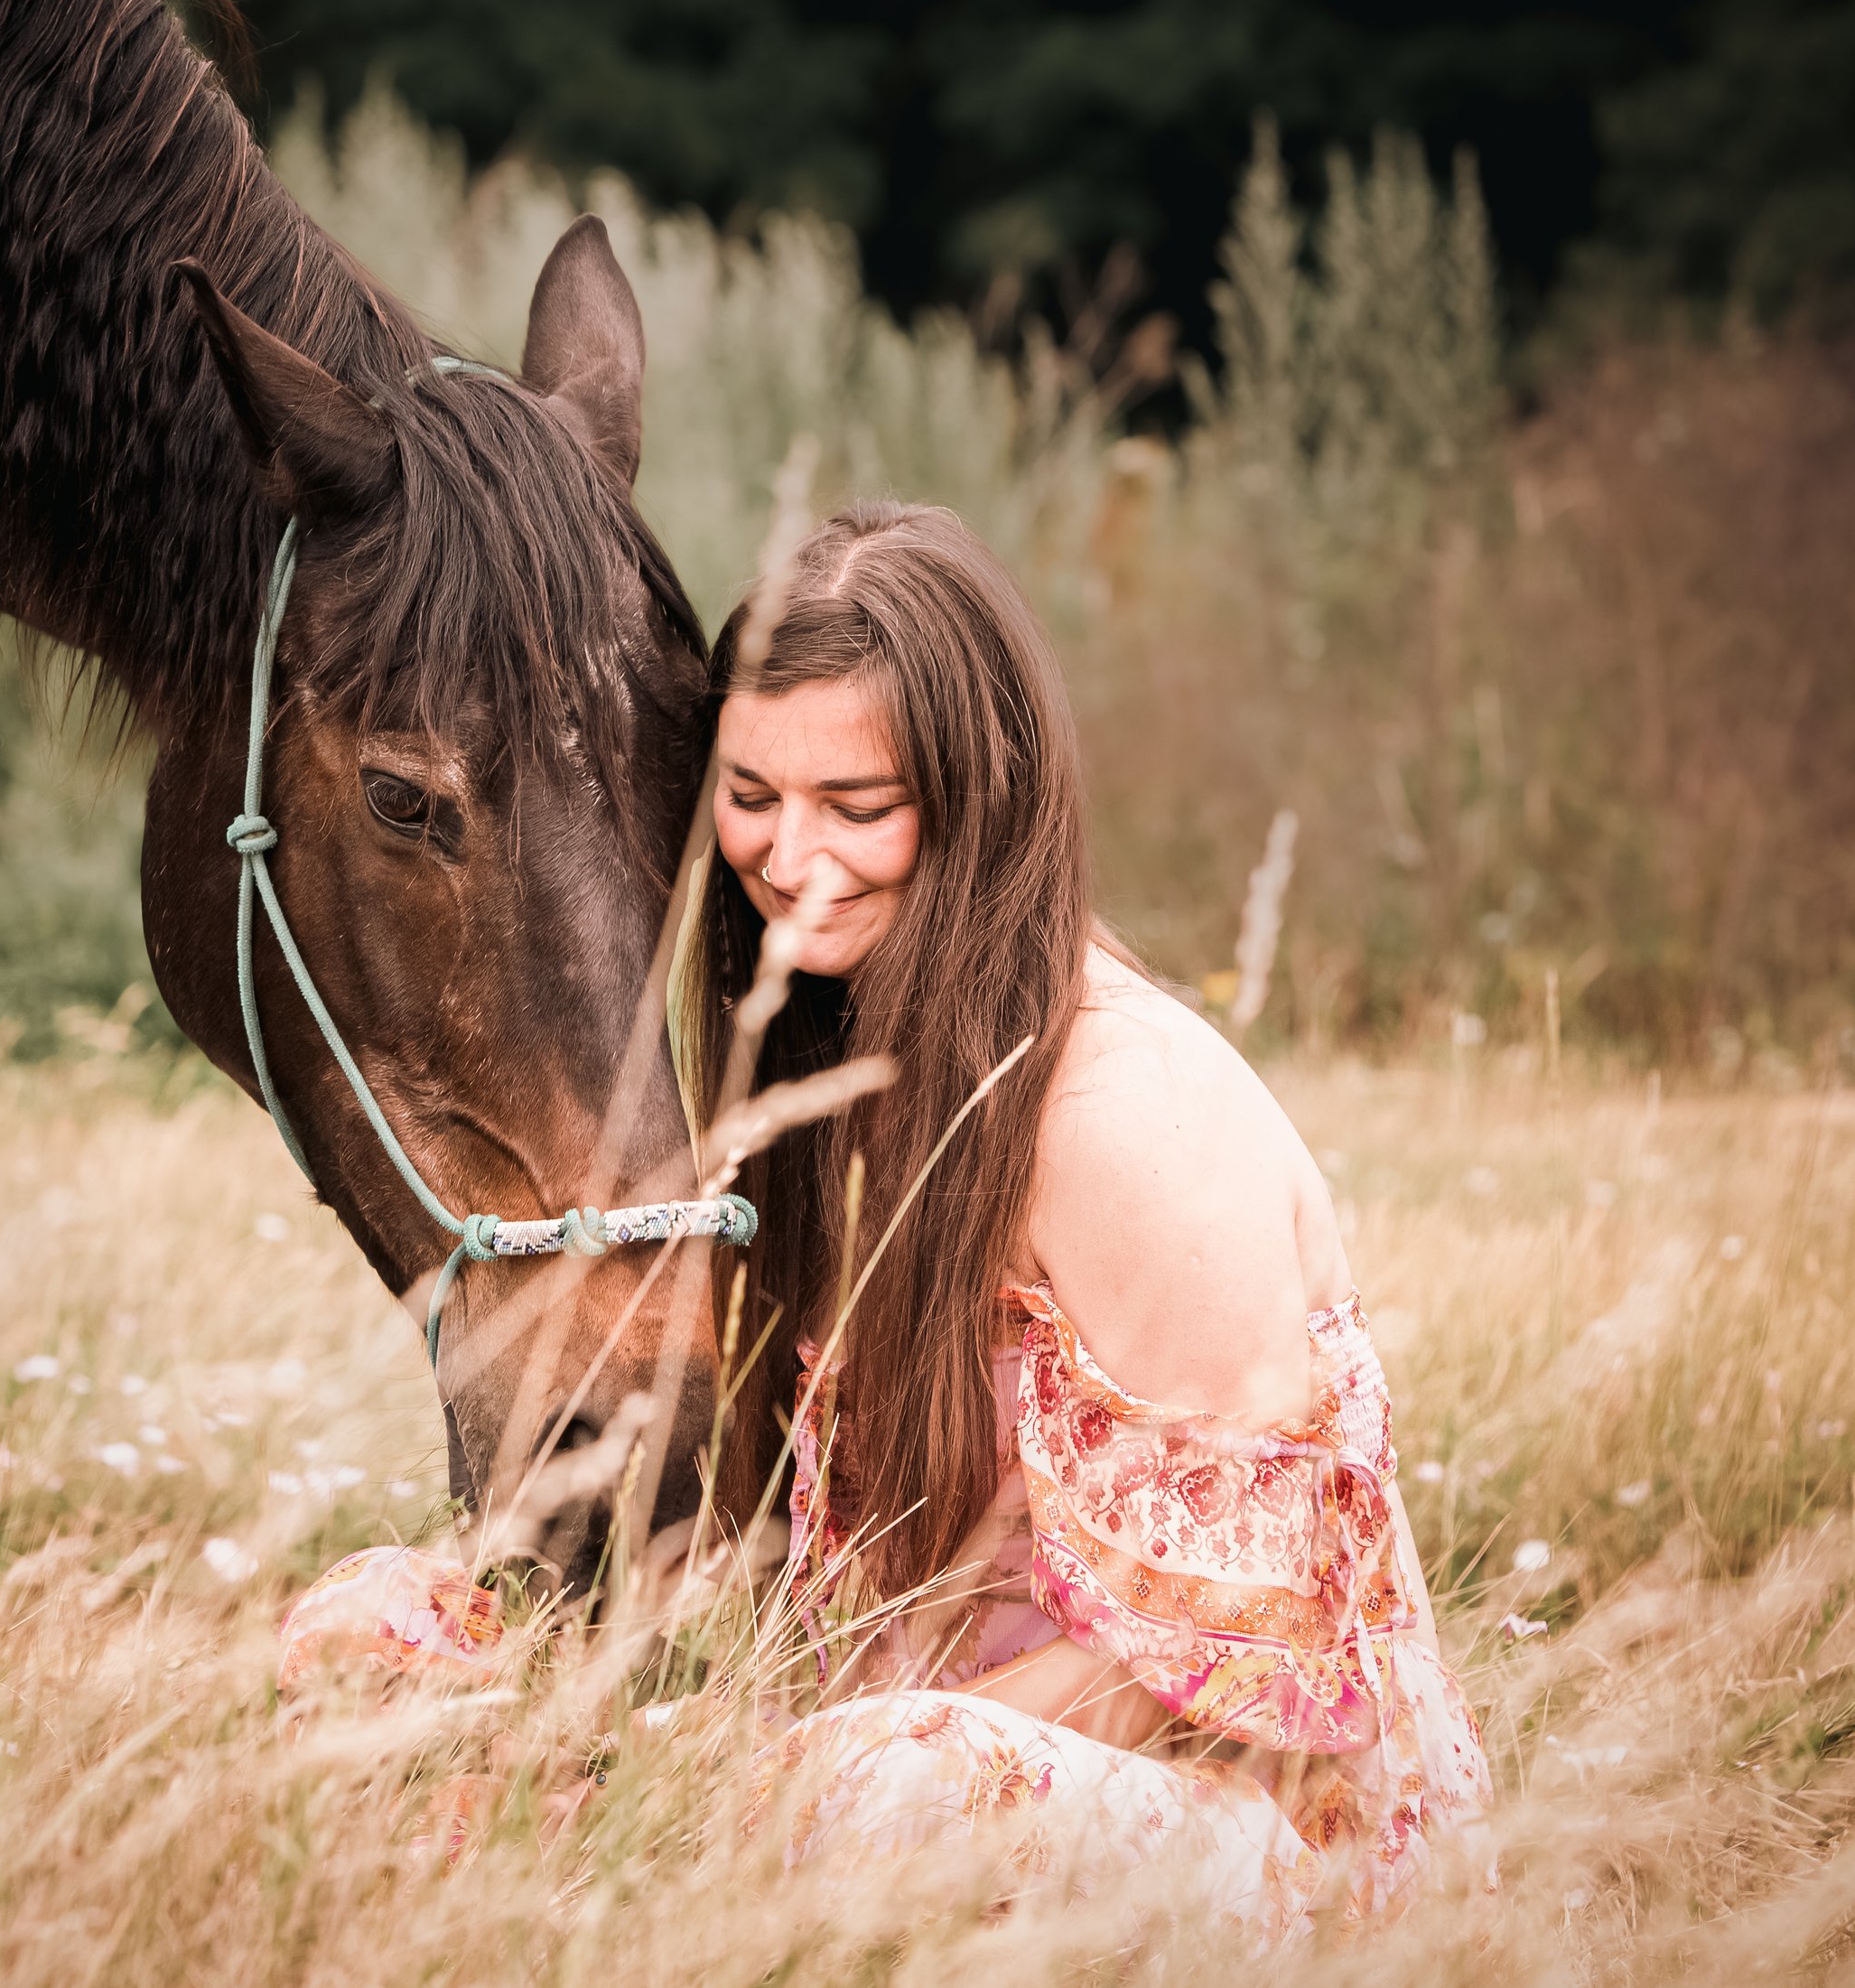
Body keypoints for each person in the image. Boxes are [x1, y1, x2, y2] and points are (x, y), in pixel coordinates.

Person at [278, 500, 1490, 1929]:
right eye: (750, 795)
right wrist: (617, 1701)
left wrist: (784, 1782)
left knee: (884, 1790)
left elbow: (1232, 1662)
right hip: (879, 1760)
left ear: (982, 802)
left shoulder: (1127, 1116)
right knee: (376, 1629)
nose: (791, 858)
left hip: (1261, 1813)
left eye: (858, 810)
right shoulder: (828, 1068)